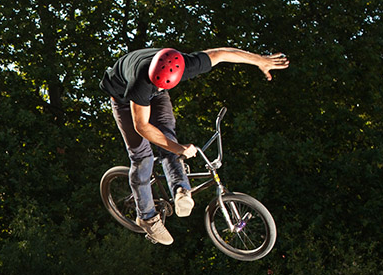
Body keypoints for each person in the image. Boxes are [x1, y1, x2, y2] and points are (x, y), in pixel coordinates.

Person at [100, 46, 289, 245]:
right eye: (158, 86)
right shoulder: (140, 82)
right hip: (123, 98)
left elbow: (223, 54)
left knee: (167, 136)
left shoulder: (188, 63)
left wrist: (260, 60)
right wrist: (179, 148)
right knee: (142, 156)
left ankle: (181, 189)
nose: (160, 90)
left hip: (156, 86)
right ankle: (147, 218)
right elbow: (141, 126)